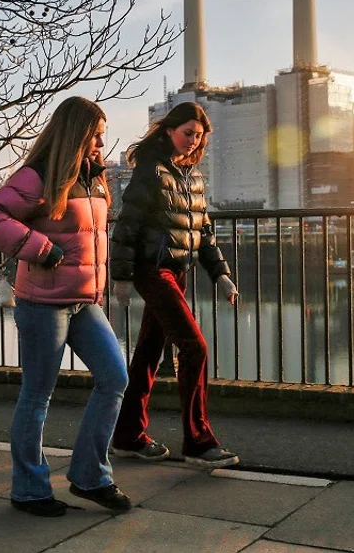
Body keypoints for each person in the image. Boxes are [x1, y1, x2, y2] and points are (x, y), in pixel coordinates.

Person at [0, 96, 131, 517]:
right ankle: (29, 489)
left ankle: (89, 477)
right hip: (43, 304)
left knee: (115, 377)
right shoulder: (39, 175)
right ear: (77, 133)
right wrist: (38, 246)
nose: (102, 141)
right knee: (38, 395)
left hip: (84, 302)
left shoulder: (93, 178)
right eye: (96, 133)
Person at [109, 101, 240, 469]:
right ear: (169, 130)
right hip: (154, 270)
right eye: (187, 134)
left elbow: (204, 234)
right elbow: (127, 226)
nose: (193, 142)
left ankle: (127, 437)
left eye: (198, 137)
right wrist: (121, 276)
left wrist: (222, 275)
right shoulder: (151, 171)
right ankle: (198, 442)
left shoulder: (194, 177)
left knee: (149, 352)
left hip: (177, 272)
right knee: (194, 347)